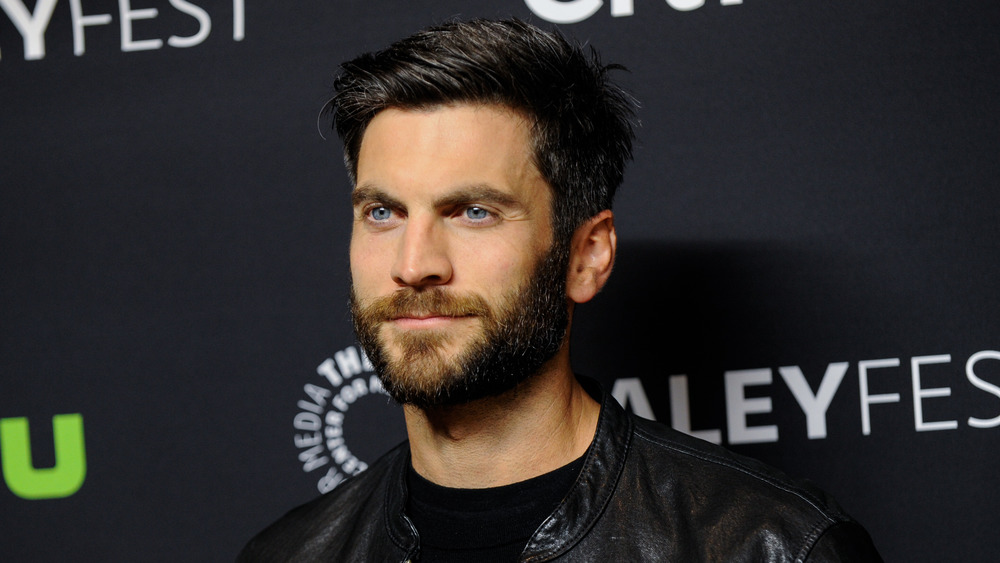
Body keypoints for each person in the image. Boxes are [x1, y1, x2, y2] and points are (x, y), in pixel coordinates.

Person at [239, 18, 882, 562]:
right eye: (383, 212)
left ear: (587, 255)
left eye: (473, 212)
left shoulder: (773, 547)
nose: (415, 265)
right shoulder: (289, 553)